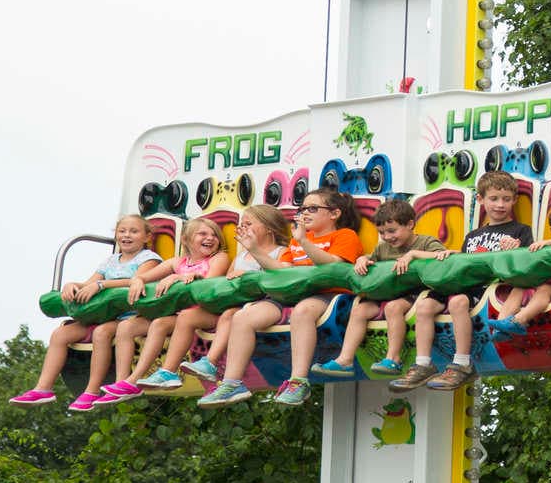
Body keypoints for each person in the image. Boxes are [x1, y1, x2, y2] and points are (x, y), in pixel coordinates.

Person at [200, 189, 362, 406]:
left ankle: (298, 381)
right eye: (303, 208)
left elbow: (333, 265)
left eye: (313, 208)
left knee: (303, 311)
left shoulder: (345, 236)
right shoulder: (296, 242)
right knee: (242, 317)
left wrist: (305, 242)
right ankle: (232, 383)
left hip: (327, 294)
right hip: (290, 294)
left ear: (334, 214)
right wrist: (256, 251)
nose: (305, 213)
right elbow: (280, 269)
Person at [391, 172, 530, 393]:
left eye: (506, 199)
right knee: (425, 305)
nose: (500, 205)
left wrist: (515, 248)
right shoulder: (473, 235)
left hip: (486, 285)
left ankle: (462, 363)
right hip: (463, 281)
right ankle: (424, 363)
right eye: (494, 199)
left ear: (514, 200)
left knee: (457, 303)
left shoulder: (520, 231)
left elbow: (525, 262)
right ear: (481, 200)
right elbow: (464, 260)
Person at [10, 214, 163, 412]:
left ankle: (92, 391)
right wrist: (72, 285)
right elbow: (90, 283)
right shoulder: (110, 262)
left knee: (101, 333)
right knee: (60, 334)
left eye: (134, 231)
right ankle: (43, 388)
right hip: (103, 314)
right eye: (122, 231)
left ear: (147, 237)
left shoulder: (149, 259)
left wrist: (101, 286)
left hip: (130, 314)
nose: (127, 235)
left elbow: (138, 280)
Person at [140, 205, 295, 392]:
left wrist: (253, 254)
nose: (243, 228)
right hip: (231, 304)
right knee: (186, 317)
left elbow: (284, 274)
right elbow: (225, 281)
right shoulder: (241, 256)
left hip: (258, 304)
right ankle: (168, 372)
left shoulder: (281, 251)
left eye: (248, 224)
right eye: (242, 225)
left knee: (230, 314)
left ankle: (211, 363)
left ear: (269, 228)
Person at [312, 198, 452, 379]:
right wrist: (362, 260)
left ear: (410, 224)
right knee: (359, 310)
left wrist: (413, 255)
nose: (388, 237)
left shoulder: (425, 242)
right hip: (386, 292)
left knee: (393, 308)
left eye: (392, 231)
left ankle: (393, 359)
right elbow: (372, 259)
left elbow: (442, 256)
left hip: (413, 293)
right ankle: (345, 360)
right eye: (382, 233)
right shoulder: (383, 248)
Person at [100, 216, 231, 403]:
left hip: (206, 311)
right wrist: (138, 281)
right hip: (178, 314)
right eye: (202, 234)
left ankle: (150, 376)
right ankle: (126, 382)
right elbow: (143, 277)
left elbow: (209, 284)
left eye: (214, 235)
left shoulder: (219, 258)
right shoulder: (177, 262)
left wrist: (176, 278)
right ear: (186, 239)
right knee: (130, 326)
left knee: (168, 321)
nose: (210, 238)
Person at [485, 205, 551, 339]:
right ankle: (502, 327)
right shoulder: (549, 249)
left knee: (545, 288)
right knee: (519, 287)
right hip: (550, 287)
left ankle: (519, 321)